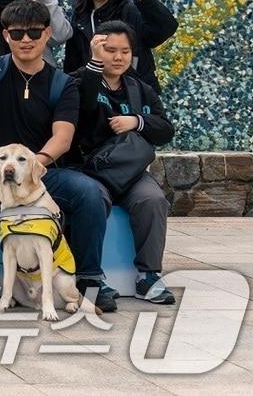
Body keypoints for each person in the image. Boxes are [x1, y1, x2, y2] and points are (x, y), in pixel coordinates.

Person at [0, 0, 116, 312]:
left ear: (47, 34)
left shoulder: (62, 84)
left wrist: (33, 167)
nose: (26, 39)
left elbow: (62, 138)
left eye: (34, 32)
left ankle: (89, 279)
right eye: (17, 33)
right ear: (6, 35)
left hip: (43, 173)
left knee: (89, 193)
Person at [73, 22, 176, 305]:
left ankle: (148, 276)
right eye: (110, 50)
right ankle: (91, 277)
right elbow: (84, 108)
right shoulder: (80, 80)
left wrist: (137, 121)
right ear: (96, 49)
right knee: (91, 200)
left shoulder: (140, 89)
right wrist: (94, 66)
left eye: (125, 51)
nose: (118, 57)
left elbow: (166, 130)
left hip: (131, 172)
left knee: (153, 199)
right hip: (91, 171)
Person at [63, 0, 178, 88]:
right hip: (94, 94)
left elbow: (165, 28)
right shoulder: (80, 16)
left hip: (135, 92)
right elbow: (72, 64)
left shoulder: (129, 10)